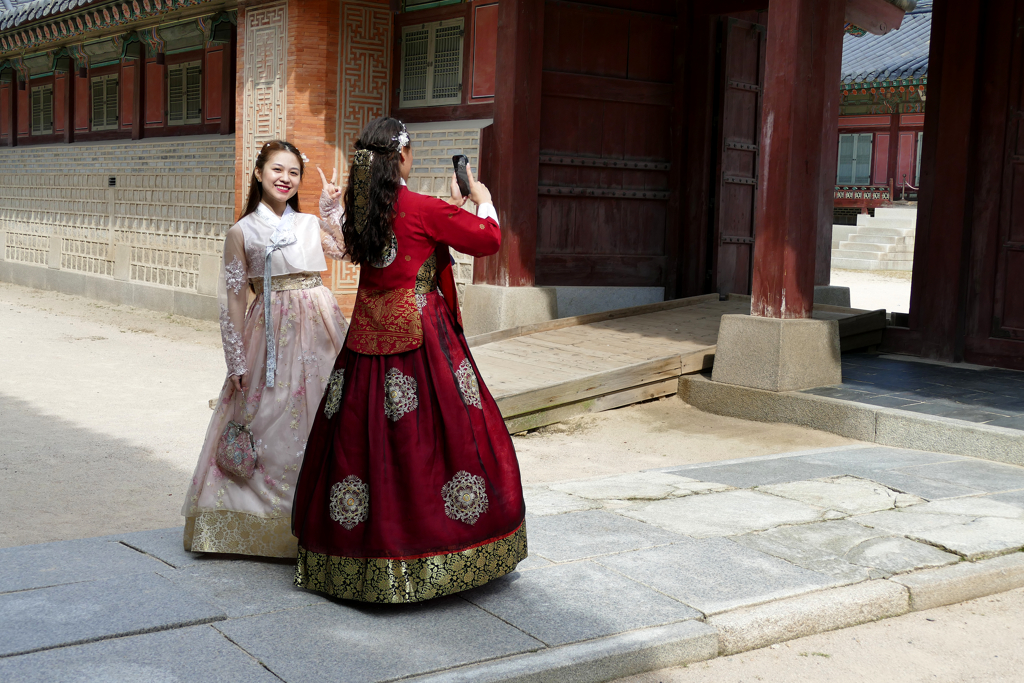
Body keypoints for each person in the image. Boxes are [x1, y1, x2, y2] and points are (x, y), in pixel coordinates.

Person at [291, 117, 527, 603]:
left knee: (358, 434)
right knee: (440, 434)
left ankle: (351, 550)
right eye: (411, 151)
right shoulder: (421, 206)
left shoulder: (363, 208)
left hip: (366, 334)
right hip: (422, 335)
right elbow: (486, 240)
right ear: (401, 156)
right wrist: (481, 200)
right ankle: (434, 548)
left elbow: (385, 242)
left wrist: (449, 209)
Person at [182, 140, 350, 557]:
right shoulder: (241, 231)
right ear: (259, 173)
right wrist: (235, 358)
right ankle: (258, 522)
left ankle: (321, 522)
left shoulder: (311, 223)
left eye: (293, 173)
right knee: (263, 414)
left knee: (327, 412)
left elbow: (347, 249)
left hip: (319, 323)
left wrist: (331, 211)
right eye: (277, 169)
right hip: (269, 330)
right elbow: (234, 299)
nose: (285, 178)